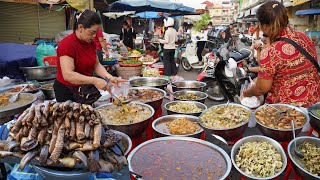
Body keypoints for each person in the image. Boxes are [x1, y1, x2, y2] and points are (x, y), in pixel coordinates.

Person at [243, 1, 320, 108]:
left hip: (287, 111)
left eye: (259, 24)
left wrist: (246, 93)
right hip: (314, 103)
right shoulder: (303, 36)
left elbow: (261, 89)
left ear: (265, 26)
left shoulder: (271, 51)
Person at [54, 10, 126, 102]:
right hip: (68, 92)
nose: (94, 36)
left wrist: (109, 77)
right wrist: (95, 80)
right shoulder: (67, 44)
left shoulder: (90, 43)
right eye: (92, 32)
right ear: (80, 28)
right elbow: (68, 75)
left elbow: (96, 65)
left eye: (96, 32)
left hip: (84, 89)